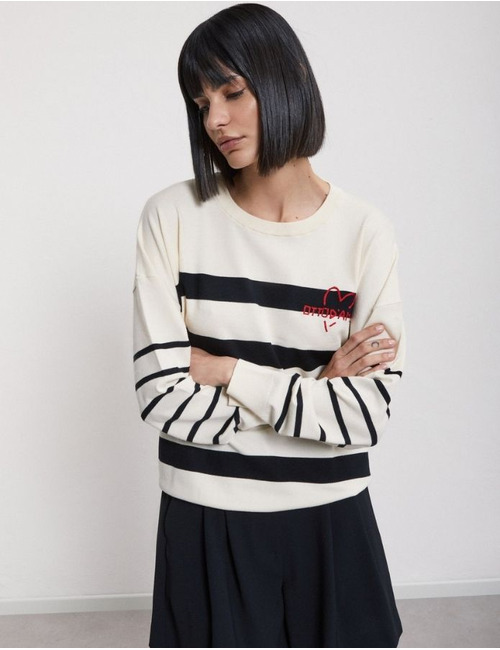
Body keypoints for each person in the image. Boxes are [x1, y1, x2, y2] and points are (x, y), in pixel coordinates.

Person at [133, 3, 405, 647]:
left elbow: (364, 417)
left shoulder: (363, 232)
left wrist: (225, 370)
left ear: (290, 79)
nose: (215, 120)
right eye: (201, 103)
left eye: (232, 92)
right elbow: (163, 400)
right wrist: (317, 385)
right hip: (205, 517)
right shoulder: (172, 217)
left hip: (331, 518)